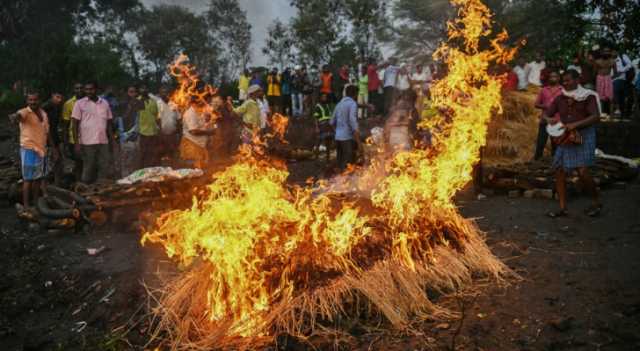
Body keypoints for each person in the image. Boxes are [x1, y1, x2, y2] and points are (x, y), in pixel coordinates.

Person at [544, 69, 601, 218]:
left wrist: (575, 124)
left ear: (577, 80)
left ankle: (596, 202)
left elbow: (595, 117)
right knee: (560, 170)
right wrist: (548, 119)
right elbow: (546, 114)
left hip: (584, 135)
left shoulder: (588, 96)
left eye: (568, 80)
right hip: (566, 136)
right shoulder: (560, 98)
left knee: (582, 171)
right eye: (564, 80)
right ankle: (563, 208)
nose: (565, 83)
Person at [9, 92, 55, 212]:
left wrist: (54, 148)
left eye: (35, 100)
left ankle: (35, 203)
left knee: (38, 178)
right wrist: (14, 117)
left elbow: (47, 132)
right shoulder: (25, 112)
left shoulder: (44, 114)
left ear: (39, 100)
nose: (33, 102)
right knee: (28, 179)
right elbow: (17, 116)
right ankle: (26, 205)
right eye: (30, 100)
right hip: (28, 149)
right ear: (27, 101)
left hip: (42, 149)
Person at [71, 81, 114, 184]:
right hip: (87, 142)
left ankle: (100, 191)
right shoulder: (79, 103)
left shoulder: (104, 103)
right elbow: (74, 124)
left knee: (104, 167)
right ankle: (85, 193)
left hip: (103, 141)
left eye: (91, 89)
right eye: (87, 89)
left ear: (96, 90)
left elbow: (109, 123)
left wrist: (112, 140)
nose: (88, 91)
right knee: (89, 168)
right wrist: (77, 143)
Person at [331, 85, 362, 171]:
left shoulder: (339, 104)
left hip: (338, 137)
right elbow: (352, 120)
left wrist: (336, 132)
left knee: (340, 160)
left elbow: (332, 122)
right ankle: (345, 181)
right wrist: (357, 134)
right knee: (348, 162)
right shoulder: (352, 104)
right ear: (355, 94)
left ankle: (338, 182)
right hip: (347, 138)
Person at [533, 71, 563, 160]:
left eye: (555, 76)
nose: (552, 78)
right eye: (551, 77)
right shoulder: (544, 90)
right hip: (545, 120)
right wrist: (546, 106)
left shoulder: (563, 90)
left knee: (556, 145)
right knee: (540, 143)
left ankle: (555, 163)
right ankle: (536, 163)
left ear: (558, 78)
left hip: (557, 121)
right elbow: (536, 104)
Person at [180, 97, 216, 169]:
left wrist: (208, 122)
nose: (202, 102)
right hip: (192, 146)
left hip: (199, 145)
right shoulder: (190, 114)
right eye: (199, 101)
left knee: (201, 170)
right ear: (193, 103)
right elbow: (193, 131)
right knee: (194, 171)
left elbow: (201, 125)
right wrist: (209, 132)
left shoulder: (199, 111)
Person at [151, 86, 180, 163]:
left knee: (172, 155)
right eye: (162, 92)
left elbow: (179, 119)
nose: (164, 94)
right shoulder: (157, 104)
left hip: (172, 135)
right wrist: (160, 134)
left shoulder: (174, 104)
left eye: (166, 92)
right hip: (161, 135)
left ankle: (172, 170)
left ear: (169, 94)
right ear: (160, 94)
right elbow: (157, 120)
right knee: (160, 155)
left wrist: (178, 133)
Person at [41, 92, 64, 185]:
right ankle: (45, 187)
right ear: (52, 96)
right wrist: (53, 146)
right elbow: (46, 128)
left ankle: (57, 183)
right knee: (47, 163)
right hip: (46, 139)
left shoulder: (57, 107)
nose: (59, 99)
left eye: (61, 97)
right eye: (57, 97)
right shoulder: (45, 107)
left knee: (58, 161)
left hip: (54, 137)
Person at [62, 82, 84, 179]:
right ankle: (78, 183)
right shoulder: (68, 104)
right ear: (73, 90)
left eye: (81, 88)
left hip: (88, 138)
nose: (79, 90)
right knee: (78, 162)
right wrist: (65, 142)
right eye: (77, 88)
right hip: (74, 139)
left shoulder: (88, 101)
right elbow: (65, 124)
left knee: (88, 162)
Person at [137, 84, 160, 168]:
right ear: (139, 90)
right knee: (142, 154)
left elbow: (156, 115)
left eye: (145, 88)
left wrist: (158, 129)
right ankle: (140, 172)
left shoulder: (153, 101)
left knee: (152, 154)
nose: (144, 90)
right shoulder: (137, 101)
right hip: (142, 132)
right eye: (142, 88)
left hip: (153, 131)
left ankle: (150, 173)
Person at [313, 93, 334, 161]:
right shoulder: (318, 106)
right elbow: (316, 118)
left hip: (328, 126)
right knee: (318, 141)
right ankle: (316, 157)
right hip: (322, 125)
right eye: (323, 97)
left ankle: (328, 158)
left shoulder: (327, 105)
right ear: (320, 98)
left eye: (325, 97)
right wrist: (317, 127)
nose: (324, 98)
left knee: (328, 142)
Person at [612, 49, 633, 119]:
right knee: (619, 97)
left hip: (624, 79)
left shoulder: (622, 56)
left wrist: (622, 70)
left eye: (614, 51)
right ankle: (621, 113)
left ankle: (623, 113)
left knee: (623, 97)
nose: (612, 53)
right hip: (613, 80)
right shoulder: (610, 59)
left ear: (616, 51)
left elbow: (630, 64)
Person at [594, 47, 615, 115]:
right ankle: (601, 114)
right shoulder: (597, 61)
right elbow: (595, 71)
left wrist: (609, 78)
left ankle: (611, 115)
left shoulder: (613, 61)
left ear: (610, 53)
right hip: (600, 78)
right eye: (605, 51)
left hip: (608, 78)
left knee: (611, 98)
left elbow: (616, 72)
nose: (606, 53)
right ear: (601, 52)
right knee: (600, 98)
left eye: (608, 51)